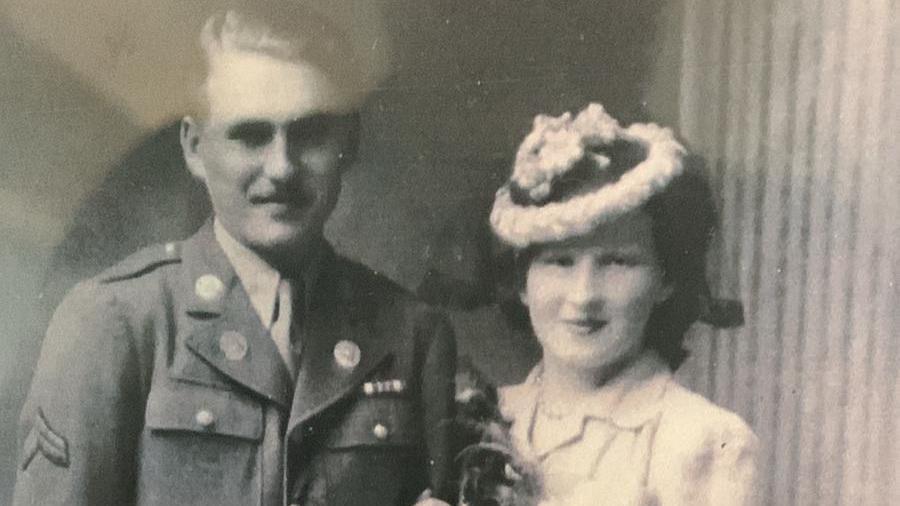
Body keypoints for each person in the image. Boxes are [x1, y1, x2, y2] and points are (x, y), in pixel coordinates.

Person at [13, 7, 456, 506]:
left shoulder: (412, 335)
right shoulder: (117, 322)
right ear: (195, 147)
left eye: (309, 134)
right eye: (250, 135)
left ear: (347, 145)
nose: (282, 167)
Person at [480, 103, 758, 505]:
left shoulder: (707, 442)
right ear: (522, 280)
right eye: (559, 262)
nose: (584, 295)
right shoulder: (485, 421)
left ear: (666, 278)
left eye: (617, 261)